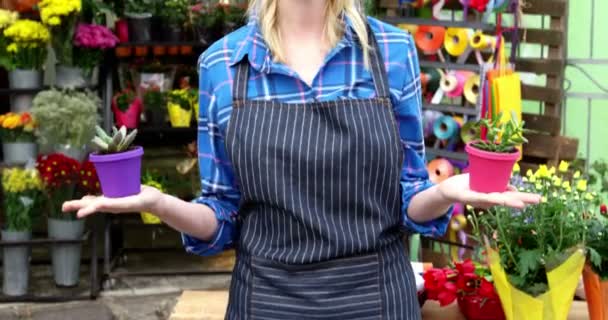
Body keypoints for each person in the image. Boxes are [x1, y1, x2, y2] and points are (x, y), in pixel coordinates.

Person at [63, 0, 540, 318]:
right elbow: (222, 214)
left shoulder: (390, 52)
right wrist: (160, 203)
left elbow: (409, 199)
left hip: (376, 299)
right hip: (267, 301)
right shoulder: (224, 65)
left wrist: (444, 191)